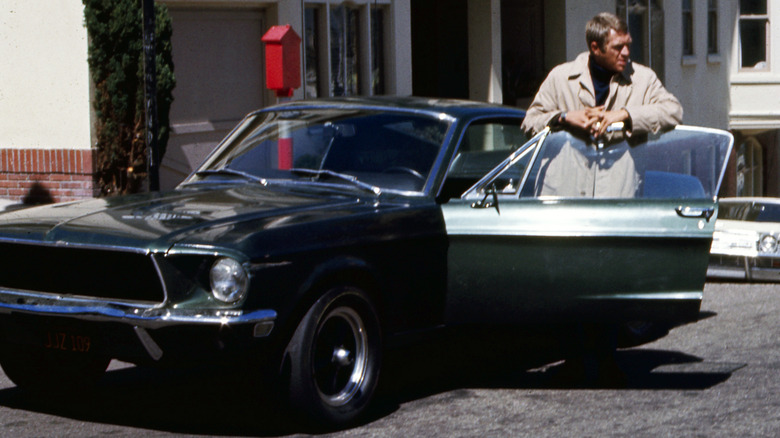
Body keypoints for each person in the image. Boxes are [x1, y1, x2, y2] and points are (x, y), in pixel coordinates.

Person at [521, 12, 683, 198]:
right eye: (618, 47)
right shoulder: (561, 77)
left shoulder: (642, 79)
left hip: (616, 200)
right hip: (564, 198)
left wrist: (625, 115)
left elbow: (673, 111)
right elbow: (530, 122)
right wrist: (564, 117)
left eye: (628, 45)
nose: (626, 53)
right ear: (595, 48)